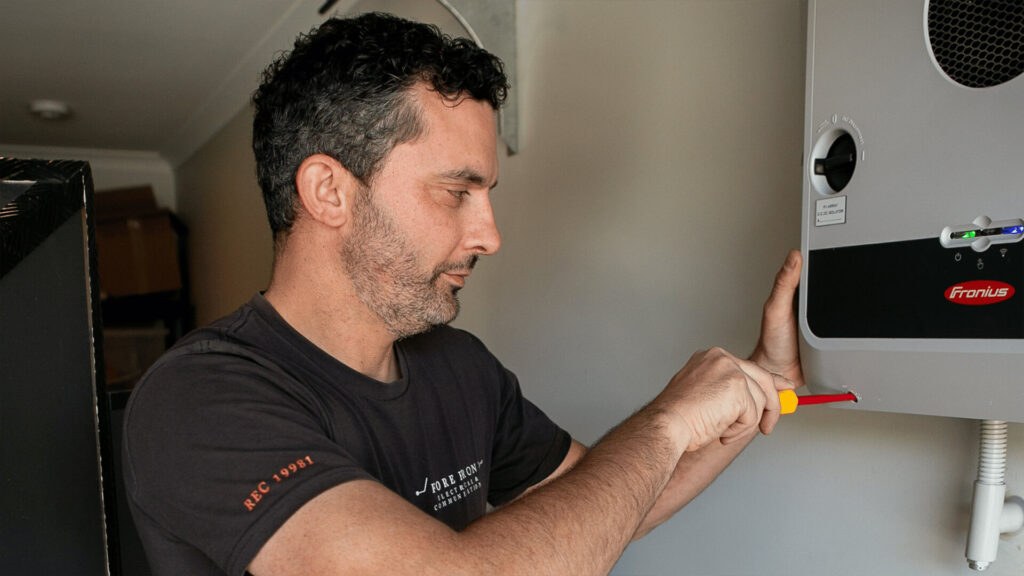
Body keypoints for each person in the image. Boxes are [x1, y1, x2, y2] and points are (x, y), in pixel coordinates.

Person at [122, 11, 804, 576]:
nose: (490, 236)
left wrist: (759, 384)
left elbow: (618, 501)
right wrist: (665, 423)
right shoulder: (197, 398)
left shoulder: (460, 366)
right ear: (328, 191)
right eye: (456, 192)